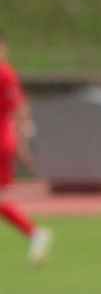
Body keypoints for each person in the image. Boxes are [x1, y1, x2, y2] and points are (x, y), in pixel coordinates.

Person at [0, 35, 51, 265]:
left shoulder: (5, 73)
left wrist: (22, 144)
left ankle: (34, 232)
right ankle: (33, 233)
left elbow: (20, 108)